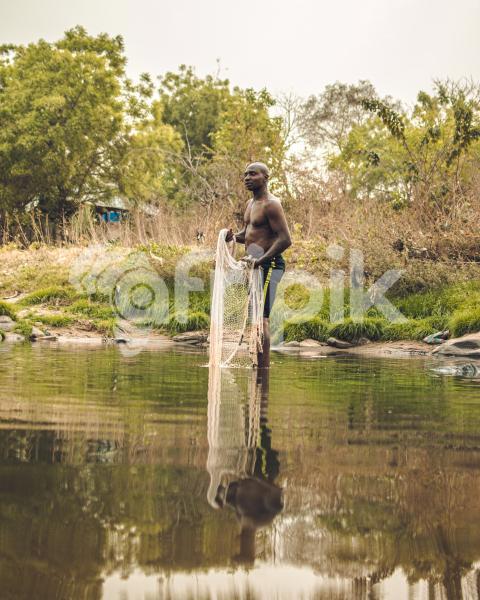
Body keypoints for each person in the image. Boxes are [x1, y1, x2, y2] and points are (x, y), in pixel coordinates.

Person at [226, 162, 292, 368]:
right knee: (253, 316)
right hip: (254, 267)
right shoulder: (250, 204)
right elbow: (246, 235)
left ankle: (263, 370)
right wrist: (229, 237)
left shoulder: (271, 204)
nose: (247, 178)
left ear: (266, 178)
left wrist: (260, 261)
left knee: (262, 318)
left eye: (252, 174)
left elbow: (285, 240)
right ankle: (257, 366)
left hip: (270, 265)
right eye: (245, 174)